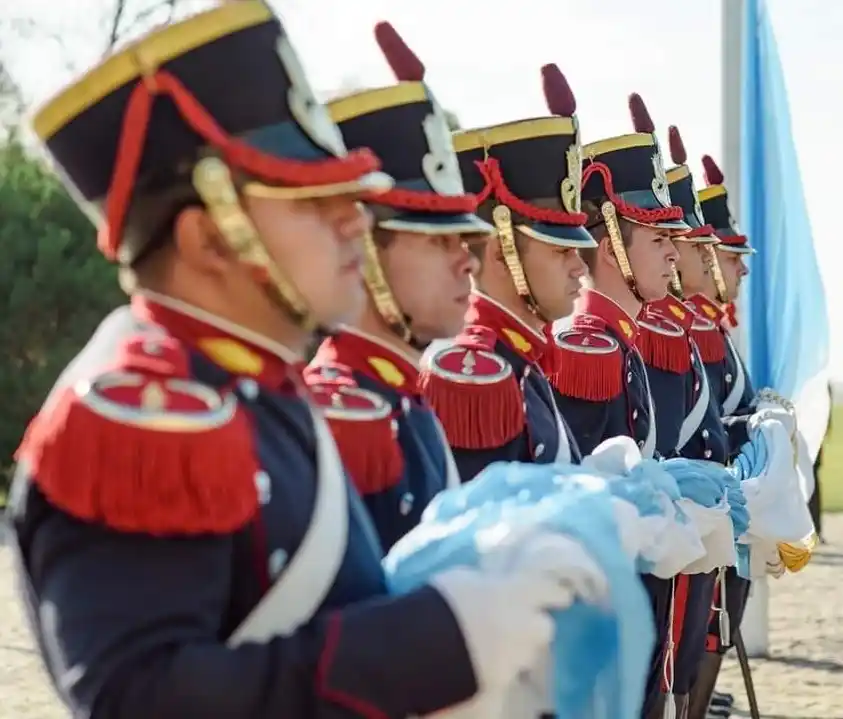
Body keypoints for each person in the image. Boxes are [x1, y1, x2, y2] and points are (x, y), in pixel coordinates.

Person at [7, 5, 597, 717]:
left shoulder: (253, 386)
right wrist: (437, 641)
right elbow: (141, 698)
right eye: (313, 201)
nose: (356, 219)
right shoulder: (144, 411)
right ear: (208, 239)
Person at [304, 22, 493, 551]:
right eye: (436, 242)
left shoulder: (400, 399)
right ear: (363, 246)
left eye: (464, 241)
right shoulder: (343, 415)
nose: (466, 265)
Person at [551, 96, 691, 719]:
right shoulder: (590, 348)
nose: (674, 253)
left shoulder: (620, 344)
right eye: (659, 238)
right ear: (610, 246)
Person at [419, 63, 594, 481]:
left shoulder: (521, 359)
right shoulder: (473, 372)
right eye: (560, 251)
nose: (578, 267)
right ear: (501, 254)